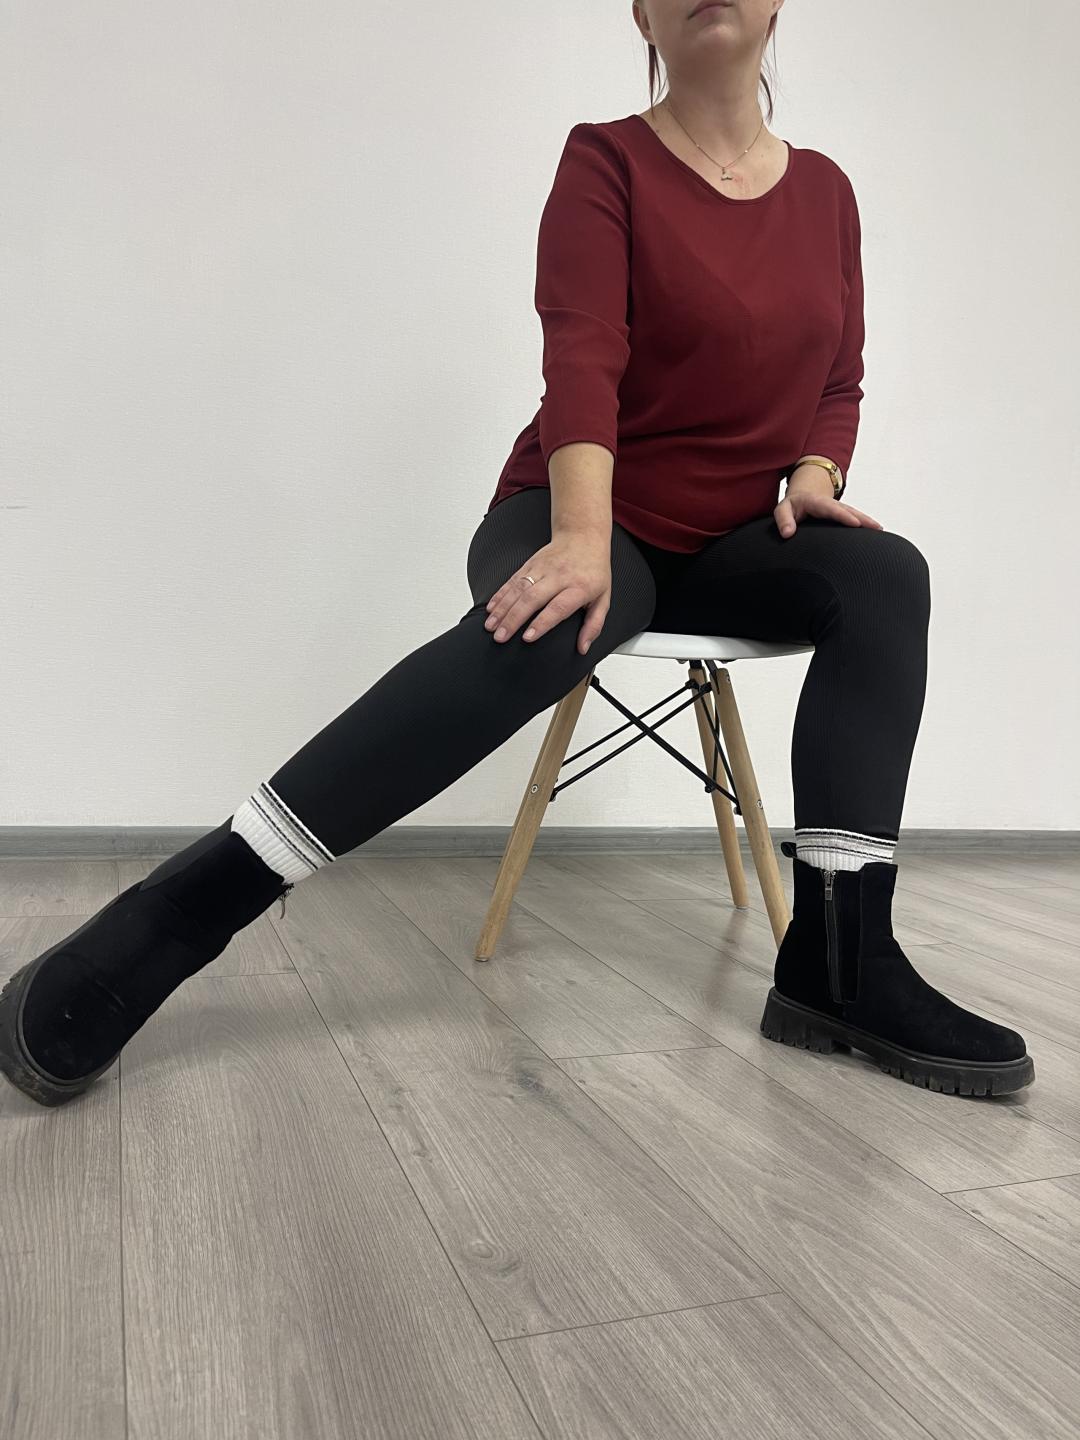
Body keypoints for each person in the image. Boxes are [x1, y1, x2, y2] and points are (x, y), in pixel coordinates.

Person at [0, 0, 1033, 1107]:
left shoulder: (825, 192)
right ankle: (175, 916)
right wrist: (583, 538)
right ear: (641, 13)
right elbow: (582, 355)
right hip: (572, 505)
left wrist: (816, 477)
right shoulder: (607, 162)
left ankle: (839, 968)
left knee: (884, 575)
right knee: (568, 613)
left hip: (730, 540)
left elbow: (840, 380)